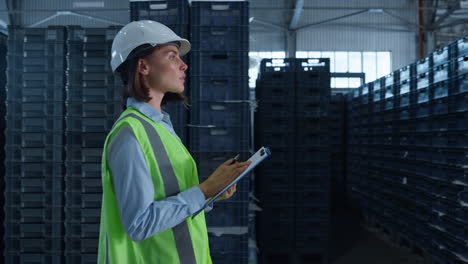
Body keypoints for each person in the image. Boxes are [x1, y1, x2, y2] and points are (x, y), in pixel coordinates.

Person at [97, 20, 251, 264]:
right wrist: (205, 189)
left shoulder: (160, 127)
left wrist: (211, 194)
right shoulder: (129, 135)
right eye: (171, 56)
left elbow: (169, 198)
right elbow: (139, 224)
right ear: (143, 66)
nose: (183, 65)